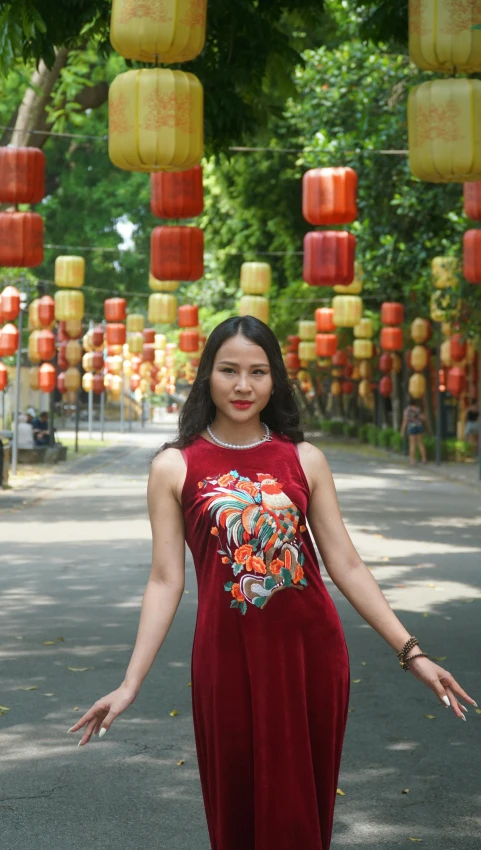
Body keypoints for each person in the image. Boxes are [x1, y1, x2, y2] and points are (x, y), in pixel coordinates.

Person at [68, 316, 475, 850]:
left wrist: (413, 653)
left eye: (258, 372)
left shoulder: (304, 459)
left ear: (275, 379)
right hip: (226, 659)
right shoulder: (174, 466)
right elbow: (166, 580)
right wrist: (130, 684)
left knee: (298, 817)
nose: (243, 386)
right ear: (207, 376)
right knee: (236, 812)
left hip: (311, 655)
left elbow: (346, 564)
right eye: (229, 370)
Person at [401, 396, 427, 465]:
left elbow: (405, 421)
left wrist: (402, 431)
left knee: (412, 444)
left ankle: (412, 461)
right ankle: (424, 459)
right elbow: (423, 418)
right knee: (420, 443)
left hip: (411, 427)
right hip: (419, 426)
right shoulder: (417, 409)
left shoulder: (407, 410)